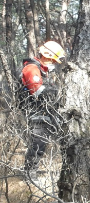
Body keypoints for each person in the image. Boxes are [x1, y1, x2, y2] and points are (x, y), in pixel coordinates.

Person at [18, 40, 66, 180]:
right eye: (53, 60)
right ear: (46, 55)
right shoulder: (32, 69)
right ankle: (30, 175)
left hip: (43, 111)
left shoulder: (41, 70)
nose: (55, 63)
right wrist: (58, 92)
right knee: (38, 144)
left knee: (48, 142)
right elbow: (37, 91)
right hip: (35, 111)